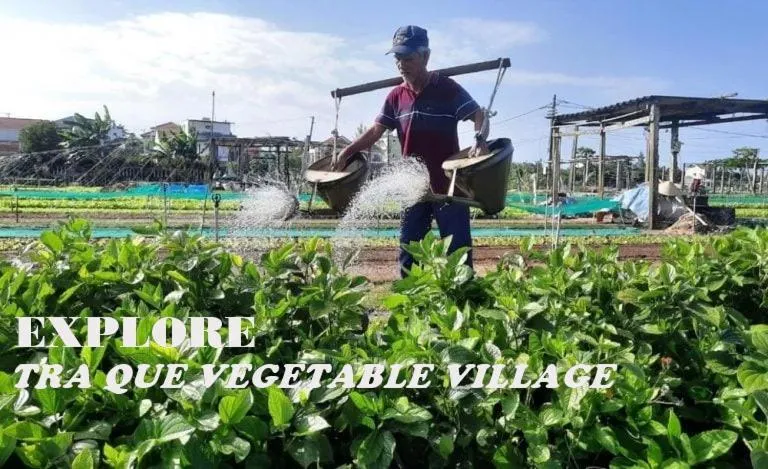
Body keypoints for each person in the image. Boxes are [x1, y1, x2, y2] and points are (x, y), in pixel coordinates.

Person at [333, 25, 489, 278]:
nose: (401, 65)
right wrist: (347, 151)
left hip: (449, 186)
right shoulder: (396, 96)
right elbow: (375, 131)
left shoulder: (447, 89)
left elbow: (478, 114)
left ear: (426, 57)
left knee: (458, 252)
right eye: (397, 58)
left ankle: (463, 301)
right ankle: (411, 304)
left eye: (408, 58)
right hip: (413, 188)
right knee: (410, 252)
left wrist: (479, 138)